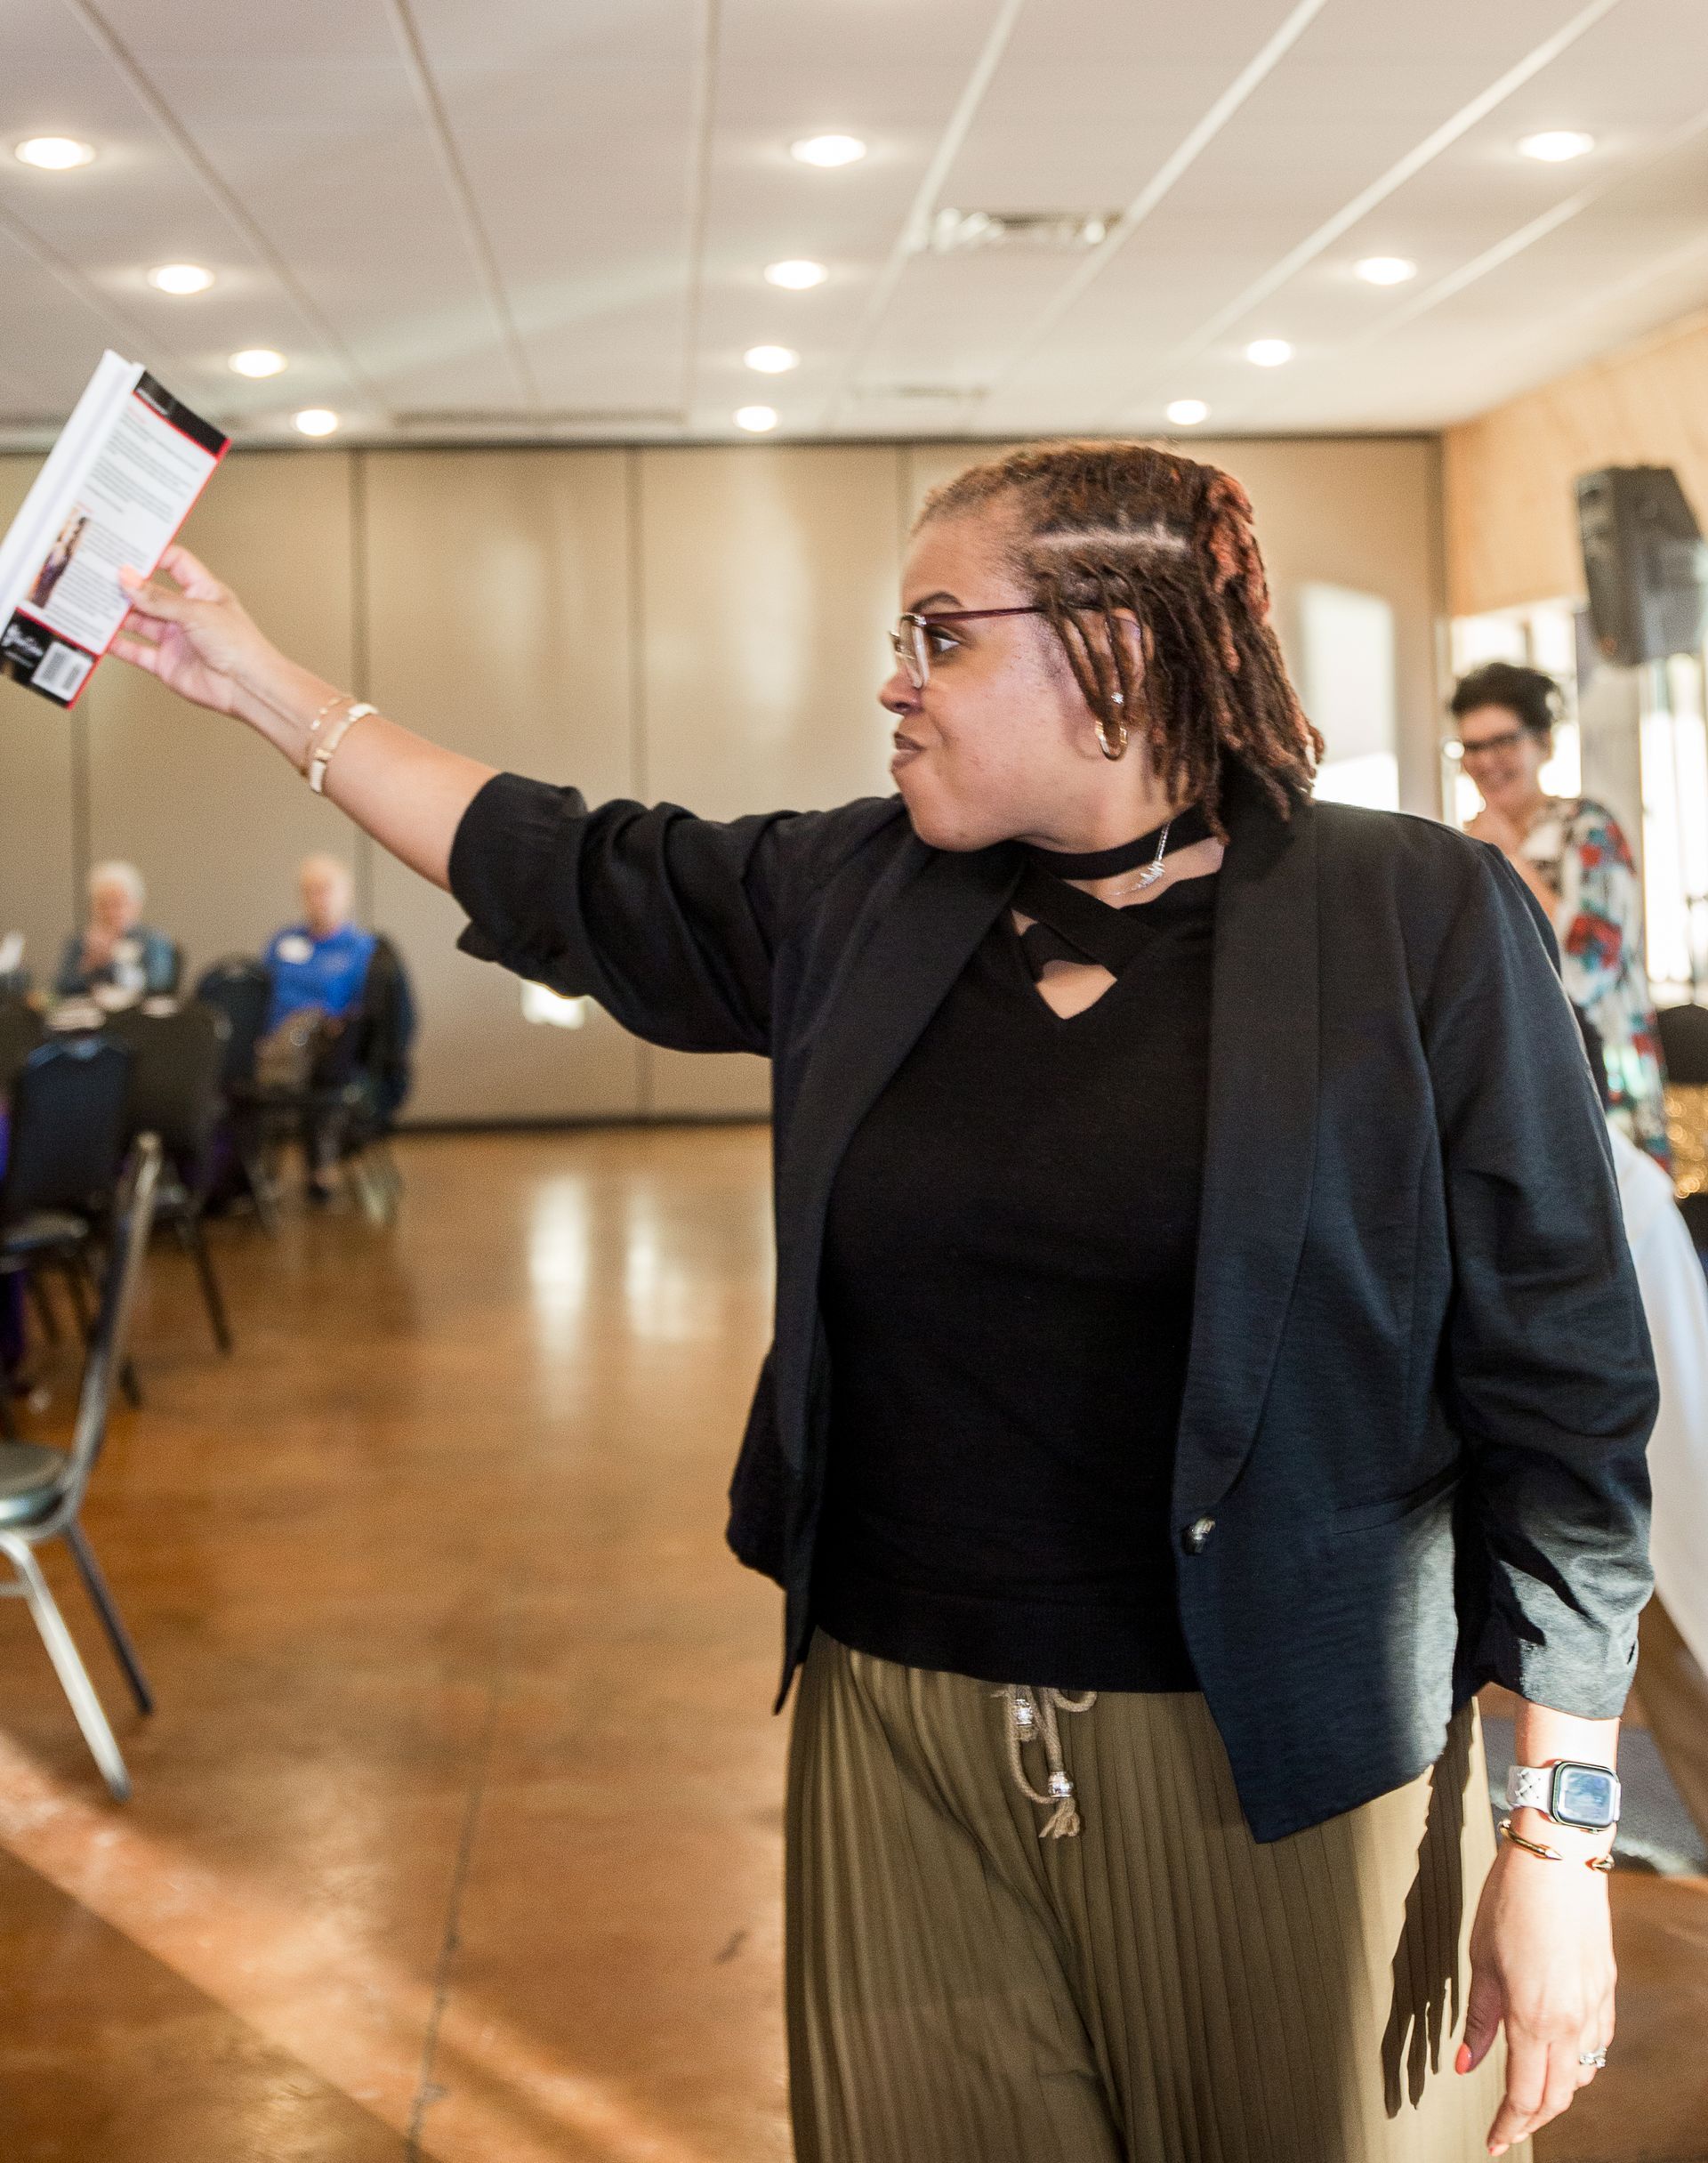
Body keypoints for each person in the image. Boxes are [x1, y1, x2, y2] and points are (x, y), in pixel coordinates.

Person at [110, 440, 1656, 2163]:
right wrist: (243, 671)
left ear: (1121, 654)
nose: (892, 682)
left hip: (1286, 1756)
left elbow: (1567, 1394)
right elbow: (563, 861)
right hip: (898, 1737)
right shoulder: (865, 896)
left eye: (940, 635)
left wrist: (1559, 1837)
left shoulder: (1413, 916)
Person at [1450, 661, 1670, 1165]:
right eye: (1472, 747)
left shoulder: (1588, 828)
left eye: (1503, 742)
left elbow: (1591, 969)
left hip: (1606, 1080)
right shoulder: (1464, 843)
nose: (1487, 761)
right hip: (1516, 1081)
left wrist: (1510, 858)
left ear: (1543, 743)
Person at [261, 856, 378, 1200]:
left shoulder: (361, 949)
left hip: (328, 1047)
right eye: (310, 891)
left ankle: (320, 1170)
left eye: (326, 889)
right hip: (276, 1043)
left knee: (322, 1075)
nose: (318, 898)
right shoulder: (283, 942)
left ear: (347, 895)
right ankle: (244, 1177)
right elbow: (262, 996)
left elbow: (364, 1013)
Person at [53, 861, 178, 1004]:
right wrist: (88, 968)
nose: (111, 912)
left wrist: (111, 962)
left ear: (136, 905)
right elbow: (60, 989)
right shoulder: (80, 942)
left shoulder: (153, 941)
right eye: (103, 904)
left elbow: (158, 987)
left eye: (118, 904)